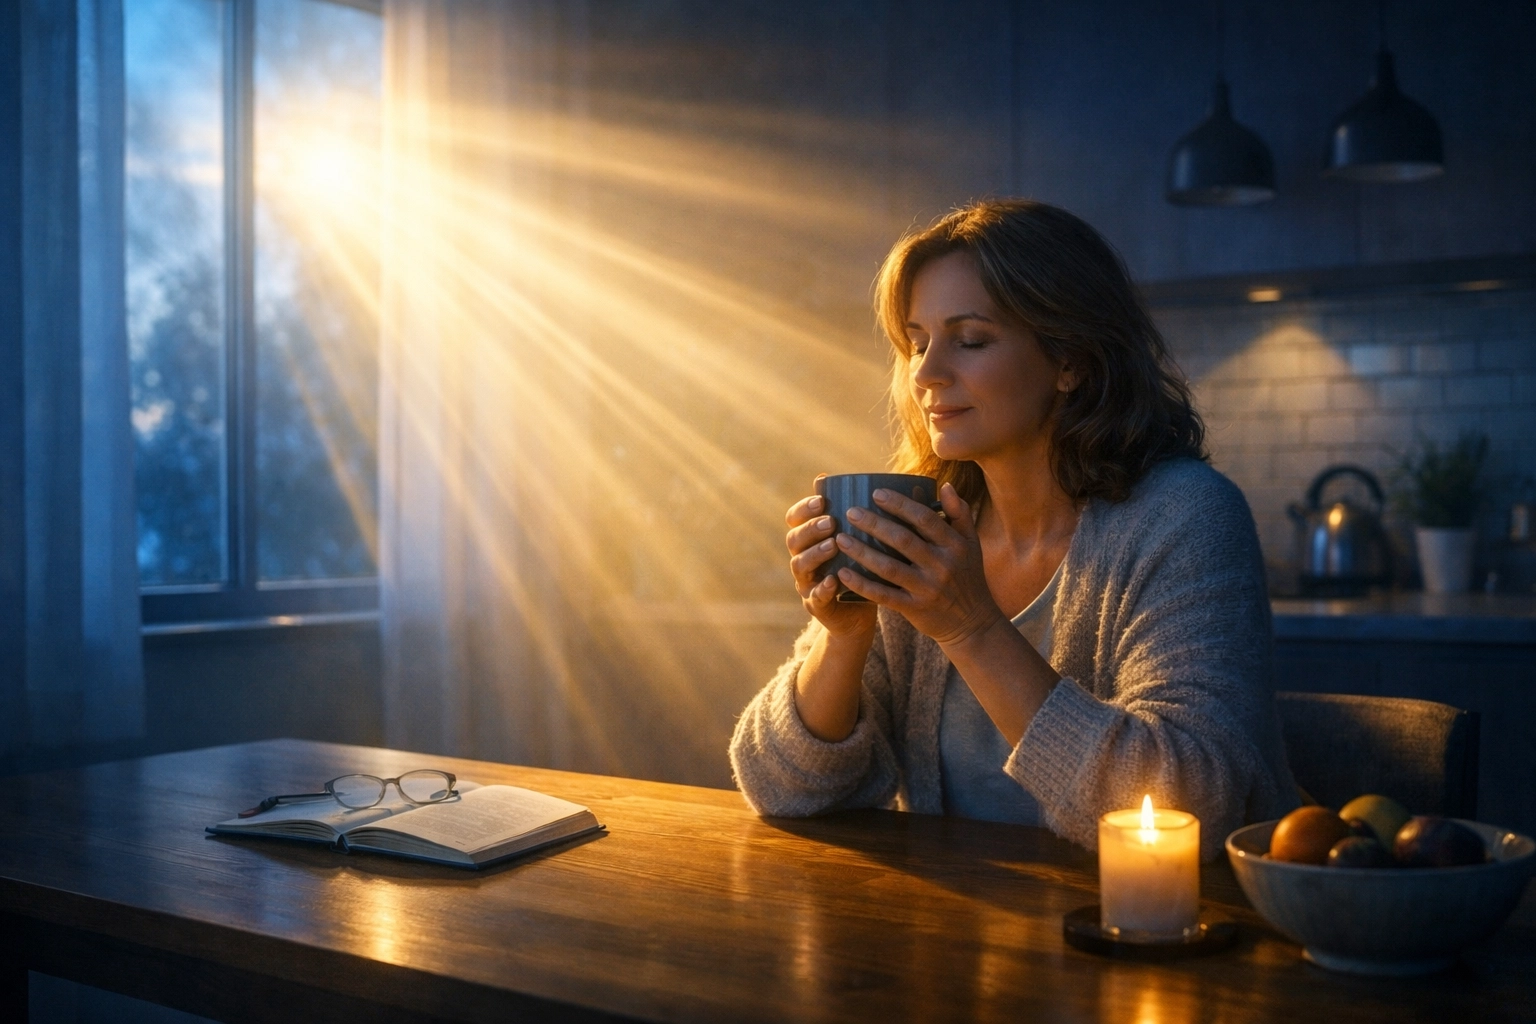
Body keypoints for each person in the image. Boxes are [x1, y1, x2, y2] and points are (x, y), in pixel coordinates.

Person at [728, 199, 1297, 860]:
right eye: (917, 342)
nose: (925, 373)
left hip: (1164, 935)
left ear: (1070, 360)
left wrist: (970, 629)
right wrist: (844, 637)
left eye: (970, 340)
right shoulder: (925, 528)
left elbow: (1193, 806)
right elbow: (782, 787)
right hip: (964, 942)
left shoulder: (1185, 516)